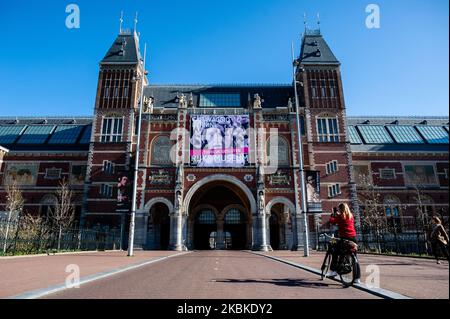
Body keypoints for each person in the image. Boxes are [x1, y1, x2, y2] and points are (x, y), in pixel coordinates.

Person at [327, 203, 361, 283]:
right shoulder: (351, 216)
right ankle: (357, 278)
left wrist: (333, 214)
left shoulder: (340, 216)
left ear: (340, 209)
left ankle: (333, 271)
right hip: (353, 239)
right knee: (355, 258)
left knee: (335, 252)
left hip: (344, 239)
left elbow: (332, 221)